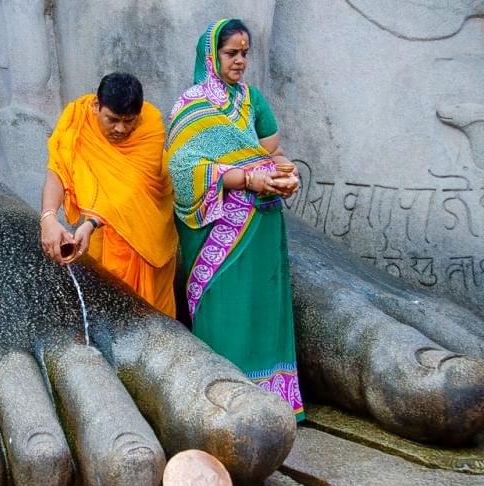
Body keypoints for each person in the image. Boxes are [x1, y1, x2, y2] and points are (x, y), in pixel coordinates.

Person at [165, 18, 304, 420]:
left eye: (245, 53)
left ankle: (274, 400)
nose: (240, 61)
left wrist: (287, 175)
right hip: (217, 226)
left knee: (262, 305)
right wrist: (245, 178)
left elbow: (273, 154)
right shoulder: (192, 105)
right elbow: (182, 166)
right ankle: (224, 404)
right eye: (231, 53)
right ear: (212, 56)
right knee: (223, 306)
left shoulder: (253, 100)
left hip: (261, 222)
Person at [41, 73, 178, 317]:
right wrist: (48, 218)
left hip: (144, 234)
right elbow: (58, 170)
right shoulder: (77, 119)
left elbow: (132, 190)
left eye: (129, 121)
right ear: (96, 106)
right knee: (104, 307)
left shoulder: (151, 126)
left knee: (149, 316)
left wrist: (91, 223)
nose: (120, 129)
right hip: (100, 234)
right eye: (112, 119)